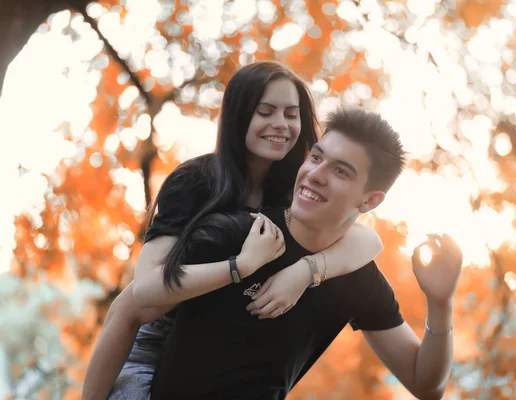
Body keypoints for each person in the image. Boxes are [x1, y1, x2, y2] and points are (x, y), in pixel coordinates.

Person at [82, 62, 383, 400]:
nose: (280, 125)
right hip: (159, 342)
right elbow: (144, 292)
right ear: (239, 115)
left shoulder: (296, 188)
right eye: (265, 112)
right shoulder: (195, 181)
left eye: (291, 114)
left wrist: (305, 271)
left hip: (222, 354)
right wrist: (240, 267)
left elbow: (369, 239)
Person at [149, 107, 463, 399]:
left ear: (369, 201)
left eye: (341, 172)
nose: (315, 174)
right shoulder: (239, 234)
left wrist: (440, 303)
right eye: (315, 157)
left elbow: (426, 385)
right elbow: (139, 303)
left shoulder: (357, 279)